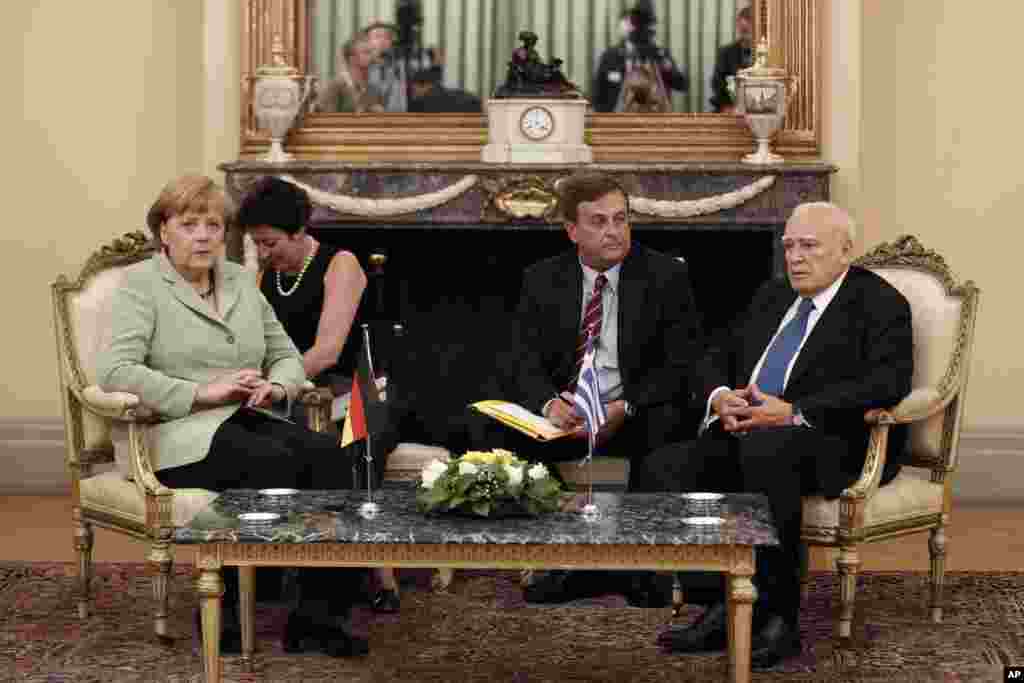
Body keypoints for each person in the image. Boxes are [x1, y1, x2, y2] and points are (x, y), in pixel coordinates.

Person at [631, 202, 913, 668]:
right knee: (668, 465)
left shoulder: (880, 304)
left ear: (845, 251)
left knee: (767, 453)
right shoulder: (774, 294)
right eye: (789, 247)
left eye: (809, 246)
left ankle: (778, 619)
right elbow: (715, 353)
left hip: (829, 439)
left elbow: (887, 383)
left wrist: (794, 411)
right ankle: (719, 603)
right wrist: (721, 395)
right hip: (750, 431)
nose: (795, 258)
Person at [97, 174, 370, 657]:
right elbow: (118, 371)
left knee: (334, 457)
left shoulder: (242, 280)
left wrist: (276, 385)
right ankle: (226, 610)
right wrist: (202, 391)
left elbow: (285, 354)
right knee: (269, 462)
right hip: (175, 434)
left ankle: (318, 618)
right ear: (164, 231)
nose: (203, 235)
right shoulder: (141, 286)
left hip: (246, 419)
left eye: (214, 225)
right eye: (189, 224)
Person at [472, 171, 704, 606]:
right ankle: (568, 558)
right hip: (567, 414)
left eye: (620, 219)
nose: (613, 231)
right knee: (494, 431)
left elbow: (682, 364)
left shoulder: (665, 276)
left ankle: (635, 564)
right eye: (598, 222)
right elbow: (518, 358)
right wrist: (550, 403)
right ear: (572, 230)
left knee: (672, 427)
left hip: (633, 413)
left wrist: (624, 406)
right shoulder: (540, 278)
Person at [236, 176, 402, 614]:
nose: (263, 253)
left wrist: (278, 384)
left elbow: (327, 351)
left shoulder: (339, 263)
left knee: (353, 445)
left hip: (357, 389)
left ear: (298, 231)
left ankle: (376, 569)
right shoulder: (265, 275)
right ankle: (275, 564)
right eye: (256, 244)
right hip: (295, 392)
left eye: (270, 243)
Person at [592, 3, 688, 113]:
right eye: (634, 22)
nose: (639, 28)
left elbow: (682, 85)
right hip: (618, 121)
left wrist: (662, 59)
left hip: (655, 121)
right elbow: (597, 94)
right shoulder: (610, 56)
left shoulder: (660, 54)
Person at [316, 31, 386, 113]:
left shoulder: (374, 89)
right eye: (366, 53)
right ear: (352, 58)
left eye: (371, 52)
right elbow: (326, 120)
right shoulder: (335, 86)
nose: (373, 57)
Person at [710, 6, 755, 113]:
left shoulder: (767, 52)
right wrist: (728, 106)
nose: (745, 37)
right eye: (743, 32)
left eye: (747, 32)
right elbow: (718, 84)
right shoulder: (726, 52)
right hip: (729, 108)